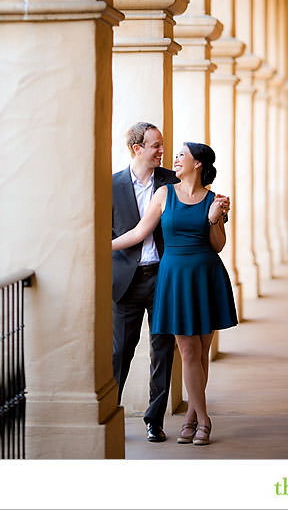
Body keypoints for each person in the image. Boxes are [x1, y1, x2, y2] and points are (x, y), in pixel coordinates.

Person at [112, 141, 237, 446]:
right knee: (188, 352)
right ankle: (205, 421)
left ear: (198, 164)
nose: (175, 158)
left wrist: (215, 218)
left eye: (182, 155)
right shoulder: (164, 193)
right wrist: (99, 248)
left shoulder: (214, 200)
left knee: (201, 354)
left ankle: (192, 418)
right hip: (174, 278)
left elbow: (218, 245)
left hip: (206, 276)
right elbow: (140, 233)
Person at [112, 122, 177, 442]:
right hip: (126, 281)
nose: (162, 150)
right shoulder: (110, 186)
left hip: (164, 278)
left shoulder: (171, 181)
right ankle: (110, 411)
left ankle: (155, 419)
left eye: (162, 145)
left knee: (162, 350)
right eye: (156, 146)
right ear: (137, 149)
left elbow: (196, 204)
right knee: (119, 351)